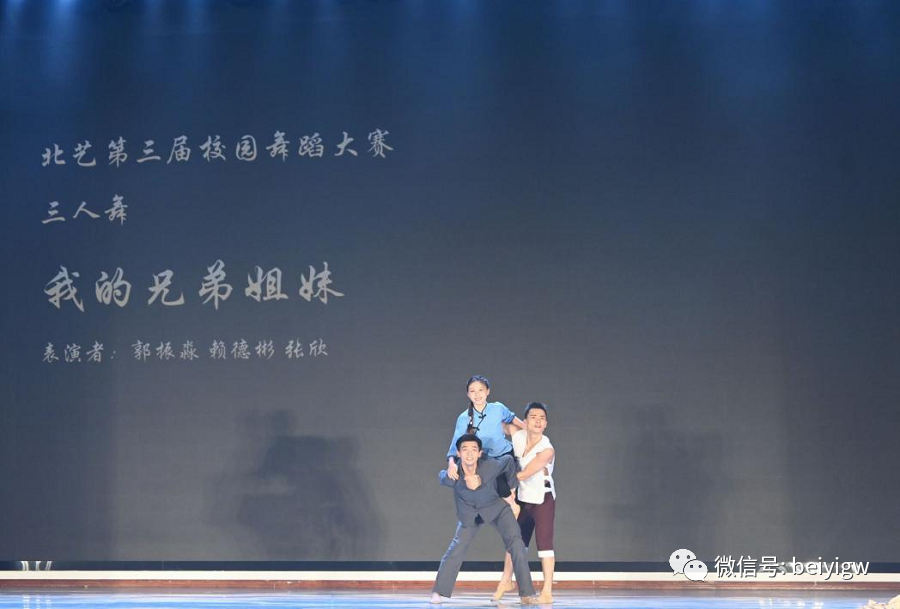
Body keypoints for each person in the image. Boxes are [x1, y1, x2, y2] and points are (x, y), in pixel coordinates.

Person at [431, 434, 537, 605]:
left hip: (496, 508)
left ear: (480, 453)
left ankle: (526, 593)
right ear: (458, 453)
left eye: (474, 449)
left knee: (517, 543)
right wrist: (450, 466)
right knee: (456, 548)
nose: (469, 454)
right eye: (465, 450)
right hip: (470, 515)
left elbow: (509, 461)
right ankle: (439, 592)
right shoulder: (453, 475)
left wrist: (511, 489)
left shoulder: (491, 465)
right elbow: (441, 476)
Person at [493, 402, 557, 604]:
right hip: (523, 498)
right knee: (515, 541)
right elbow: (501, 425)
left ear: (546, 424)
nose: (537, 421)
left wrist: (501, 483)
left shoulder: (547, 449)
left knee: (544, 544)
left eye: (542, 418)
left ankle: (547, 591)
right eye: (533, 417)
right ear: (526, 421)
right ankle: (506, 580)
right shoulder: (518, 436)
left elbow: (526, 473)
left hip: (542, 499)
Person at [446, 376, 525, 512]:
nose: (477, 395)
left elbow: (512, 418)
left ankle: (515, 507)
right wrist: (451, 464)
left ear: (488, 391)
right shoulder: (464, 418)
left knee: (519, 487)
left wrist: (530, 431)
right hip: (487, 461)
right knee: (500, 488)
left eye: (480, 390)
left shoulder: (498, 408)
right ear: (468, 394)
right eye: (472, 391)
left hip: (507, 453)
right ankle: (513, 507)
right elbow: (455, 447)